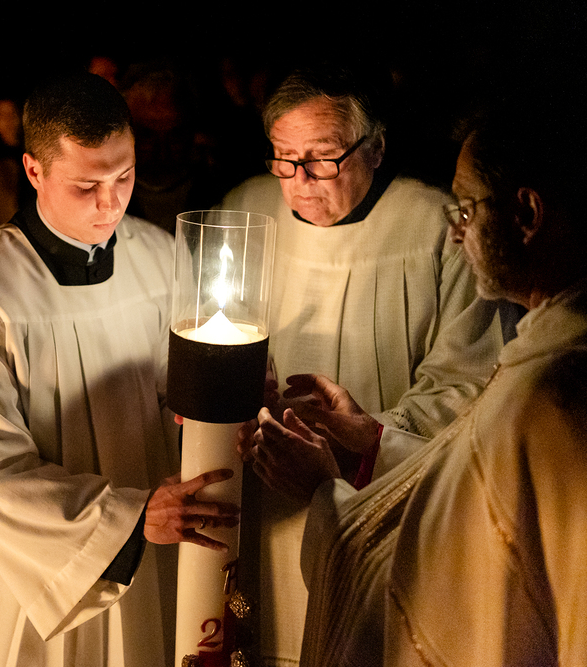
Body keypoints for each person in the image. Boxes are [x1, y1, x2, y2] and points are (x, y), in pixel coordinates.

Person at [247, 90, 587, 665]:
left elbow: (454, 586)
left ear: (527, 214)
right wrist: (370, 440)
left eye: (467, 210)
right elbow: (477, 484)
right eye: (284, 157)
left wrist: (325, 495)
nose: (455, 232)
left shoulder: (556, 391)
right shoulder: (544, 352)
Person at [0, 71, 239, 667]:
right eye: (86, 185)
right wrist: (128, 518)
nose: (110, 203)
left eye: (124, 177)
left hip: (161, 540)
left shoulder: (162, 257)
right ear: (33, 170)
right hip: (43, 569)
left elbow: (181, 395)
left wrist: (227, 395)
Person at [218, 64, 502, 664]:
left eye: (322, 158)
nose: (299, 180)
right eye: (283, 157)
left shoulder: (437, 225)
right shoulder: (245, 210)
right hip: (261, 498)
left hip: (378, 503)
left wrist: (360, 439)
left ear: (374, 148)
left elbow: (464, 384)